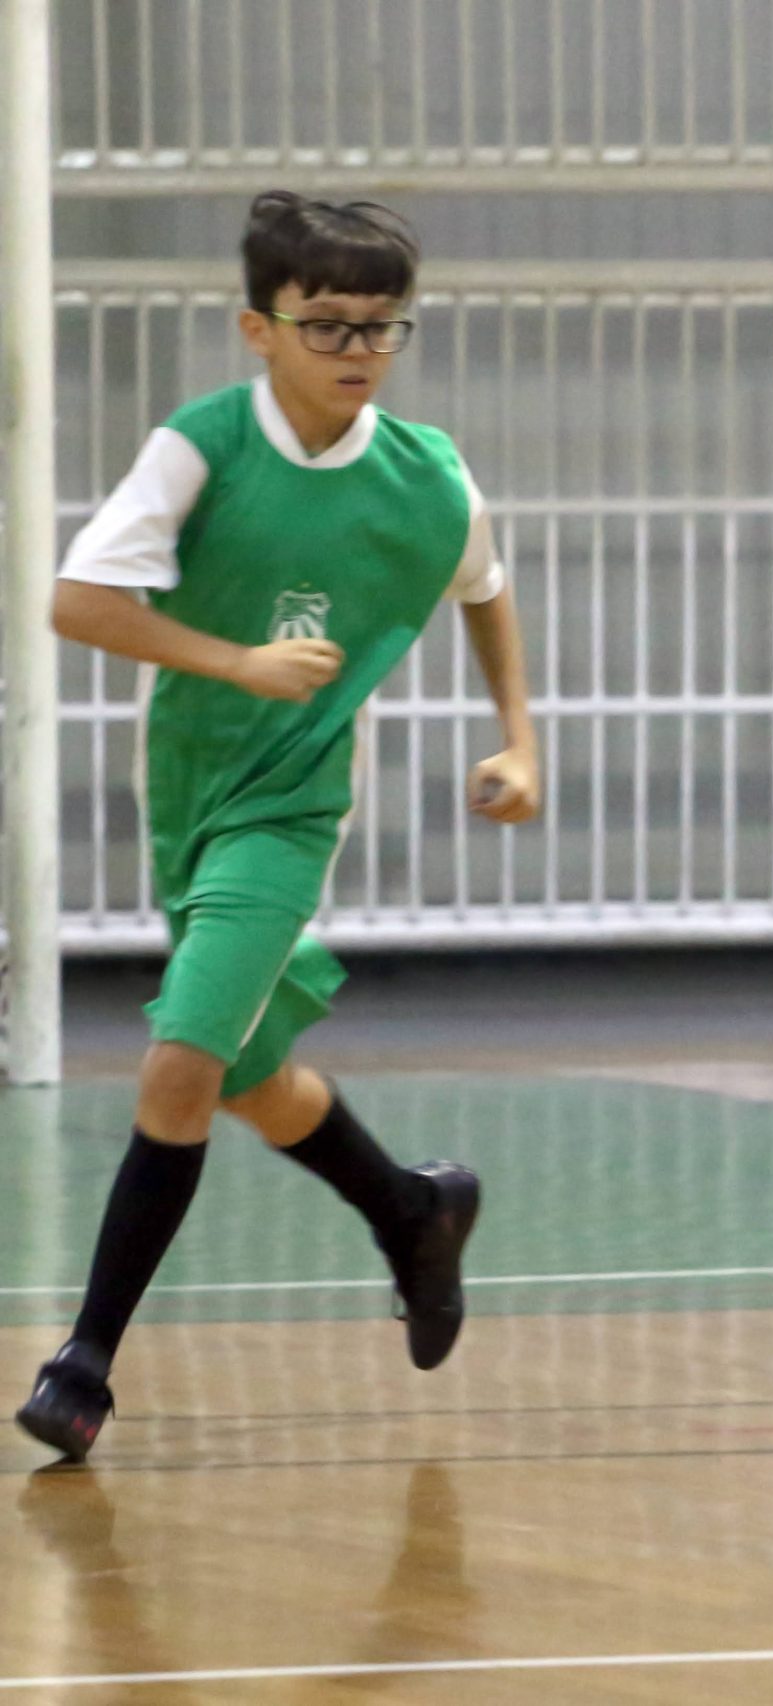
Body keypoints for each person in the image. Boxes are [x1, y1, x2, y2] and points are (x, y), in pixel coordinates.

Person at [16, 192, 541, 1464]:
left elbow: (485, 585)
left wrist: (520, 735)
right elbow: (77, 601)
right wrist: (234, 661)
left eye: (382, 325)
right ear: (260, 327)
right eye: (327, 325)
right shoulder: (199, 450)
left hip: (291, 806)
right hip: (190, 789)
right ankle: (413, 1206)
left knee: (182, 1060)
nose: (358, 348)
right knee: (246, 1076)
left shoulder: (427, 474)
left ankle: (84, 1360)